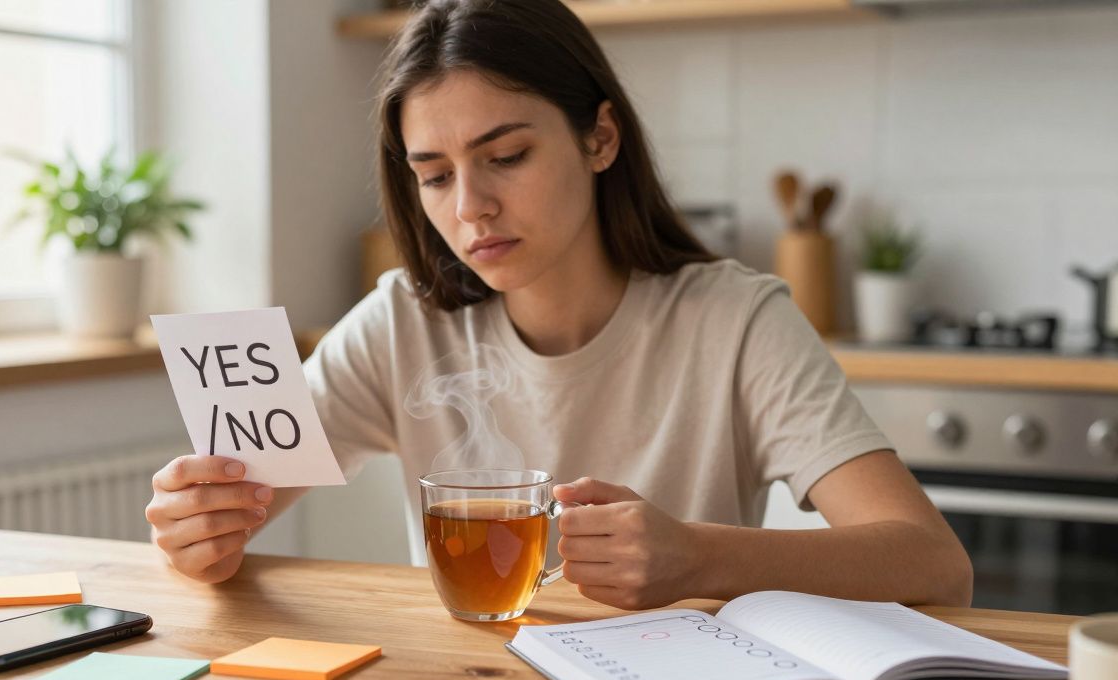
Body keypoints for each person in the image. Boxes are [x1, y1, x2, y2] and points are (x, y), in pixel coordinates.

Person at [145, 0, 973, 609]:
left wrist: (698, 557)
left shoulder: (736, 322)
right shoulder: (403, 320)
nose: (469, 207)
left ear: (600, 138)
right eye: (433, 176)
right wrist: (198, 530)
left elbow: (934, 563)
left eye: (504, 155)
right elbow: (230, 513)